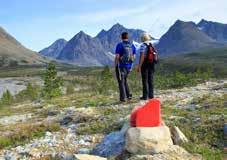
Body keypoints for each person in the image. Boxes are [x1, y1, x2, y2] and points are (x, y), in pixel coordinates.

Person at [115, 32, 136, 102]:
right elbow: (134, 56)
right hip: (129, 66)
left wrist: (115, 65)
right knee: (125, 81)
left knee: (121, 81)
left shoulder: (120, 45)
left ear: (121, 37)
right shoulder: (132, 45)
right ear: (128, 37)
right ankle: (129, 95)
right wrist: (131, 66)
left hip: (121, 66)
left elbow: (117, 56)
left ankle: (122, 98)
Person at [137, 33, 158, 100]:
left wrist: (139, 66)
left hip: (145, 64)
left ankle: (145, 96)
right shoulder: (151, 45)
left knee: (145, 80)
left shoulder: (143, 45)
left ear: (142, 38)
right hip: (152, 64)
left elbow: (142, 56)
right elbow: (155, 54)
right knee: (150, 79)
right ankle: (151, 95)